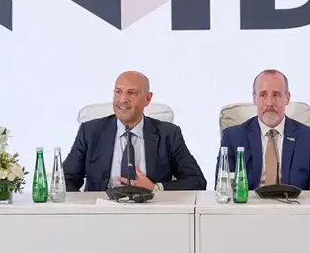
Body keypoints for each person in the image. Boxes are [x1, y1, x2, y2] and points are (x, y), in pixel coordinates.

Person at [63, 71, 207, 191]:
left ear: (147, 99)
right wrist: (83, 210)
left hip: (151, 213)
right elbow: (66, 179)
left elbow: (197, 181)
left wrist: (154, 188)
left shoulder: (168, 134)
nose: (123, 99)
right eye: (118, 92)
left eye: (132, 93)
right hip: (102, 213)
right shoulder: (90, 132)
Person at [215, 69, 310, 191]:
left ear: (287, 98)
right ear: (255, 98)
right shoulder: (232, 138)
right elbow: (223, 190)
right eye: (263, 95)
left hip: (294, 208)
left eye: (276, 95)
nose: (269, 103)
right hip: (249, 209)